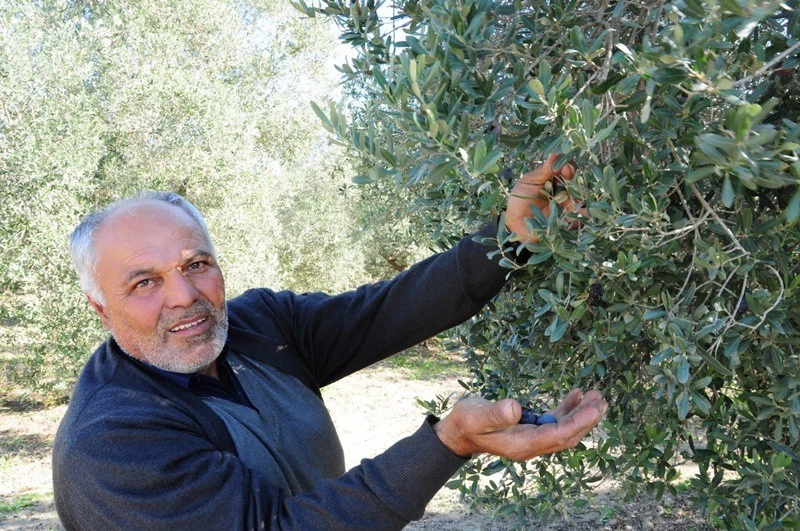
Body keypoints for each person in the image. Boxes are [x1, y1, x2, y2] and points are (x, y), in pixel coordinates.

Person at [52, 154, 607, 530]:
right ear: (98, 307)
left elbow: (390, 311)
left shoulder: (260, 328)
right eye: (144, 282)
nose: (184, 296)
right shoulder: (111, 443)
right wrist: (449, 442)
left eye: (197, 265)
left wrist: (510, 240)